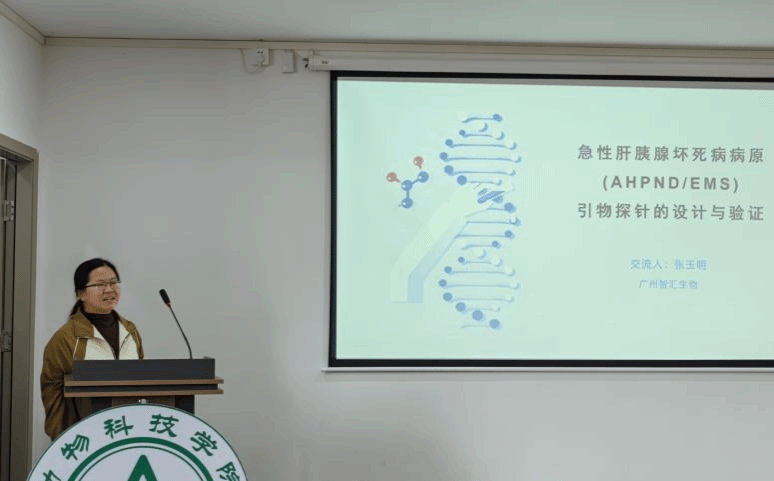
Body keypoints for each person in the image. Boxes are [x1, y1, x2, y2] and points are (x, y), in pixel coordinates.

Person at [40, 258, 144, 439]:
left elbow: (141, 377)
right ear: (82, 294)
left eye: (113, 282)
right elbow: (53, 392)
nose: (109, 289)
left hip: (128, 431)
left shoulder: (130, 330)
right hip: (88, 435)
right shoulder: (66, 338)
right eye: (100, 284)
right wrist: (64, 438)